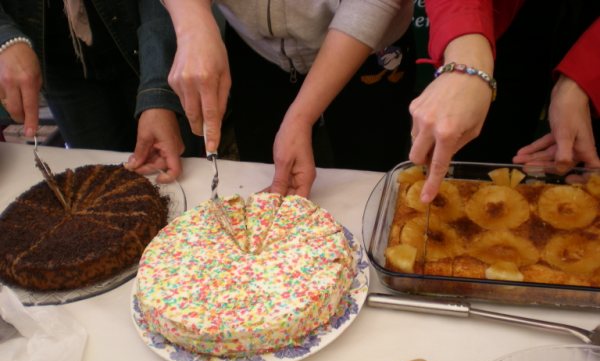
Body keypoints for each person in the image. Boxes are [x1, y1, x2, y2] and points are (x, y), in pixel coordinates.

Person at [162, 0, 415, 197]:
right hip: (254, 48)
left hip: (367, 48)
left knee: (366, 181)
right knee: (261, 172)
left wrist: (300, 117)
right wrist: (193, 25)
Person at [408, 0, 600, 203]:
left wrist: (584, 78)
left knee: (584, 166)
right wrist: (468, 55)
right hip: (501, 16)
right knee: (476, 148)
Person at [0, 0, 201, 183]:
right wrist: (4, 36)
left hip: (149, 42)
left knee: (180, 172)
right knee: (100, 182)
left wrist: (159, 92)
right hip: (61, 67)